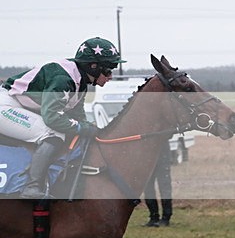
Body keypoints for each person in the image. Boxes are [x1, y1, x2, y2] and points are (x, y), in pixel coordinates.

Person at [0, 37, 125, 199]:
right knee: (52, 133)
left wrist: (89, 128)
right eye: (108, 70)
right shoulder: (63, 79)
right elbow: (52, 117)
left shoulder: (80, 82)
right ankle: (31, 187)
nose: (110, 76)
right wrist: (84, 128)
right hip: (6, 106)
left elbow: (78, 116)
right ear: (93, 67)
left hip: (18, 104)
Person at [143, 141, 173, 227]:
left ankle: (166, 218)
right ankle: (153, 217)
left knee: (164, 189)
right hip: (148, 158)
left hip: (162, 157)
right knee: (148, 189)